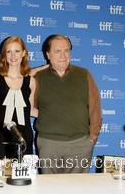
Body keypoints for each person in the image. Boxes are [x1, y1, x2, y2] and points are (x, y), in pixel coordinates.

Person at [34, 34, 102, 174]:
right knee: (50, 188)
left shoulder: (84, 75)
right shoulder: (38, 78)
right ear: (48, 54)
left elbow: (95, 107)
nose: (63, 56)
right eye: (57, 51)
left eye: (66, 50)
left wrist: (92, 137)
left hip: (80, 144)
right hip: (48, 144)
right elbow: (29, 106)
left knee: (78, 188)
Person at [0, 36, 38, 159]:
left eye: (17, 51)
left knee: (23, 178)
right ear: (4, 55)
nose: (13, 55)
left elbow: (30, 111)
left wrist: (54, 115)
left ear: (24, 53)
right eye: (9, 51)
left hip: (23, 141)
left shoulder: (30, 81)